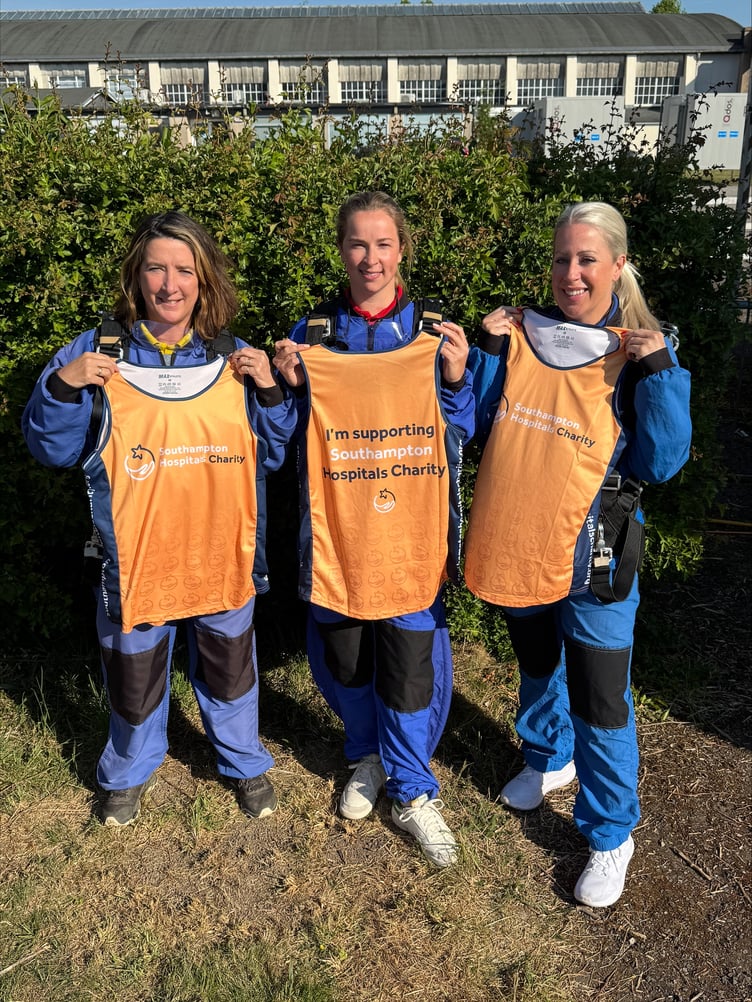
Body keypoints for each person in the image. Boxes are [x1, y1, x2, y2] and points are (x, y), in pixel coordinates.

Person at [23, 211, 296, 827]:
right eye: (156, 269)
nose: (170, 285)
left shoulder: (234, 357)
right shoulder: (97, 354)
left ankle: (244, 761)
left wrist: (273, 393)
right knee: (135, 674)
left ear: (204, 279)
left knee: (231, 672)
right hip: (135, 559)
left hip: (220, 553)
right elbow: (51, 448)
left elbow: (274, 452)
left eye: (184, 270)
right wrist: (64, 387)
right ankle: (127, 770)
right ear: (137, 277)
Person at [464, 201, 691, 906]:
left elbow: (662, 462)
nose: (571, 273)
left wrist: (657, 375)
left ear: (618, 265)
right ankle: (547, 756)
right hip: (521, 533)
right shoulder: (527, 334)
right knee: (535, 661)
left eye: (587, 259)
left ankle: (610, 832)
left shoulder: (639, 351)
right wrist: (488, 352)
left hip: (597, 549)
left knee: (599, 695)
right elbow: (473, 424)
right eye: (562, 259)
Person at [273, 191, 475, 867]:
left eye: (383, 244)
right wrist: (282, 387)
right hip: (335, 539)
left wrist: (453, 381)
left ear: (403, 249)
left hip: (409, 538)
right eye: (357, 244)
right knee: (345, 660)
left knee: (412, 670)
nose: (371, 258)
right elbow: (284, 440)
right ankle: (367, 755)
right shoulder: (314, 334)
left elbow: (461, 431)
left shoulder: (433, 333)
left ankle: (415, 790)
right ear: (341, 251)